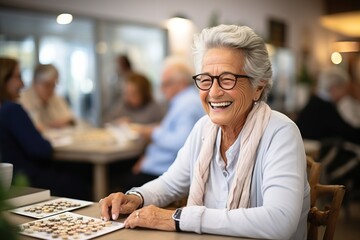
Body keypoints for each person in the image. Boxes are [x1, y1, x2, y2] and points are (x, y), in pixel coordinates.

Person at [100, 25, 309, 240]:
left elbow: (280, 221)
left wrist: (178, 219)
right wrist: (136, 197)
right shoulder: (203, 128)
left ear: (258, 87)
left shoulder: (281, 132)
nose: (214, 92)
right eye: (206, 80)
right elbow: (171, 183)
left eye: (228, 79)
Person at [0, 57, 90, 199]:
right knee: (82, 177)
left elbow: (72, 119)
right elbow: (42, 149)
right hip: (28, 180)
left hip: (13, 179)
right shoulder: (12, 110)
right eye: (18, 77)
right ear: (3, 79)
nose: (23, 83)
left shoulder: (6, 109)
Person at [114, 56, 205, 192]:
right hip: (159, 168)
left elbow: (181, 142)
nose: (162, 89)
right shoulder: (184, 101)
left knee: (115, 178)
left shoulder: (187, 104)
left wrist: (152, 132)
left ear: (181, 83)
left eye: (165, 84)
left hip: (163, 173)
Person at [296, 66, 360, 144]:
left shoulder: (316, 101)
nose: (345, 94)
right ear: (334, 88)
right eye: (344, 89)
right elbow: (348, 133)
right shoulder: (324, 107)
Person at [19, 64, 75, 131]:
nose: (51, 90)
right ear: (34, 83)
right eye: (47, 85)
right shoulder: (22, 100)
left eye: (53, 85)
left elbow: (71, 119)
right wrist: (48, 126)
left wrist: (65, 122)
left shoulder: (55, 97)